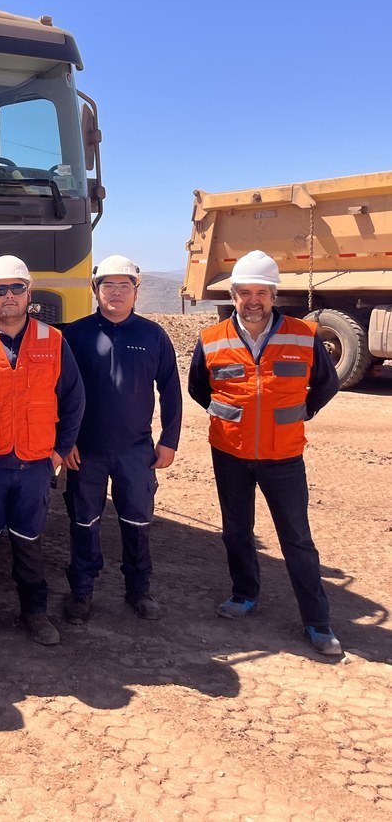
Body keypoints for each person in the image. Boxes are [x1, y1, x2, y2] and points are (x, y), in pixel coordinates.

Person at [187, 250, 342, 656]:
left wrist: (302, 411)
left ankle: (317, 621)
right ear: (234, 295)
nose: (253, 301)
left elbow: (326, 384)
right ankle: (244, 594)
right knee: (236, 531)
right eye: (245, 293)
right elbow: (198, 389)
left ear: (274, 295)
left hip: (284, 456)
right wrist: (232, 418)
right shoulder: (211, 339)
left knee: (297, 539)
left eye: (262, 292)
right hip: (230, 452)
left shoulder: (303, 335)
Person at [0, 255, 85, 647]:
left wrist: (60, 451)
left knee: (30, 542)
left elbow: (73, 400)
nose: (9, 295)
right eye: (0, 290)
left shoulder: (54, 340)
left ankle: (35, 612)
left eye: (17, 288)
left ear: (29, 293)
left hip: (34, 463)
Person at [62, 254, 182, 624]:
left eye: (124, 286)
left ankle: (138, 590)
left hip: (136, 450)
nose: (116, 293)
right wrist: (65, 441)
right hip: (86, 451)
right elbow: (59, 392)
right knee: (84, 522)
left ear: (136, 291)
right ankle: (81, 592)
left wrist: (169, 440)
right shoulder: (75, 335)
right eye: (108, 285)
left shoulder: (153, 335)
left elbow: (171, 391)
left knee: (137, 521)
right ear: (95, 290)